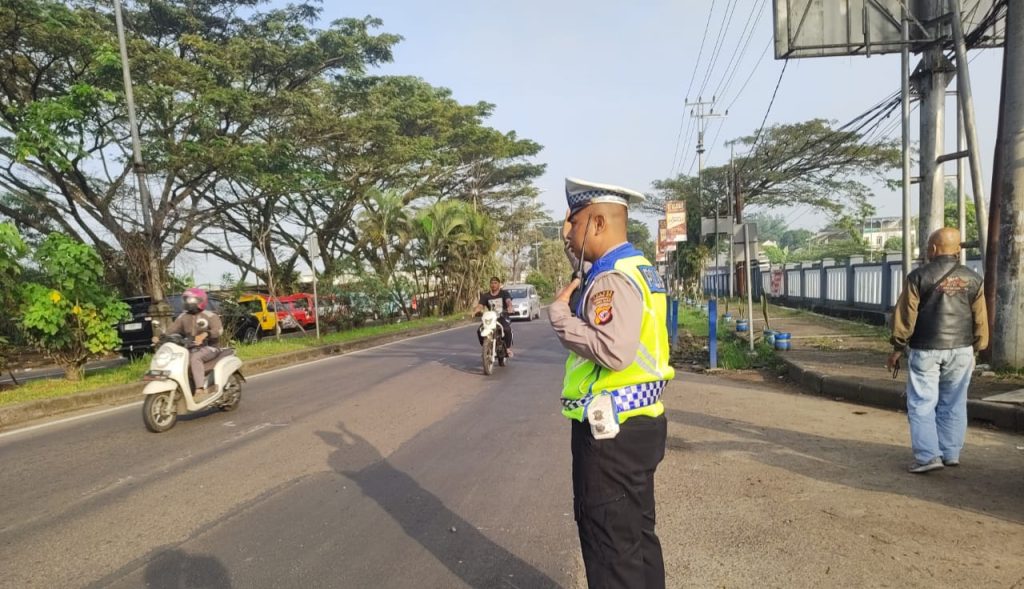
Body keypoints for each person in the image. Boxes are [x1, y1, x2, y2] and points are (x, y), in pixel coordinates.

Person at [549, 177, 675, 589]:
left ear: (599, 223)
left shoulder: (609, 278)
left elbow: (614, 350)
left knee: (609, 547)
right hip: (642, 423)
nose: (568, 234)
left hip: (610, 436)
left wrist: (563, 320)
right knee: (637, 537)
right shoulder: (640, 269)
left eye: (575, 223)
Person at [887, 227, 988, 474]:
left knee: (922, 402)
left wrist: (897, 348)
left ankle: (928, 457)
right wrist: (978, 347)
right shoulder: (973, 279)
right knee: (954, 402)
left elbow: (905, 317)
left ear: (933, 249)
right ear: (957, 250)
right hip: (962, 349)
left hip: (926, 349)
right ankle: (950, 453)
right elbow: (980, 319)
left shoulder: (918, 277)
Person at [165, 287, 224, 402]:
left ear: (200, 301)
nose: (188, 303)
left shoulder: (210, 315)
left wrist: (205, 334)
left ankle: (200, 389)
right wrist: (161, 336)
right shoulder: (183, 317)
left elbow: (219, 330)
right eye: (186, 300)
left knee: (196, 358)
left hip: (210, 348)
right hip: (190, 348)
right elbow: (171, 329)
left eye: (190, 300)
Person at [472, 276, 514, 356]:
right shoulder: (485, 296)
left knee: (507, 329)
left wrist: (510, 307)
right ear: (489, 285)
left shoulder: (504, 293)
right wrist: (475, 311)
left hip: (502, 317)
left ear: (499, 284)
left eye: (495, 283)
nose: (493, 285)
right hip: (491, 318)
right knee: (479, 330)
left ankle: (508, 349)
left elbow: (508, 301)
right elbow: (480, 305)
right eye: (492, 283)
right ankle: (485, 348)